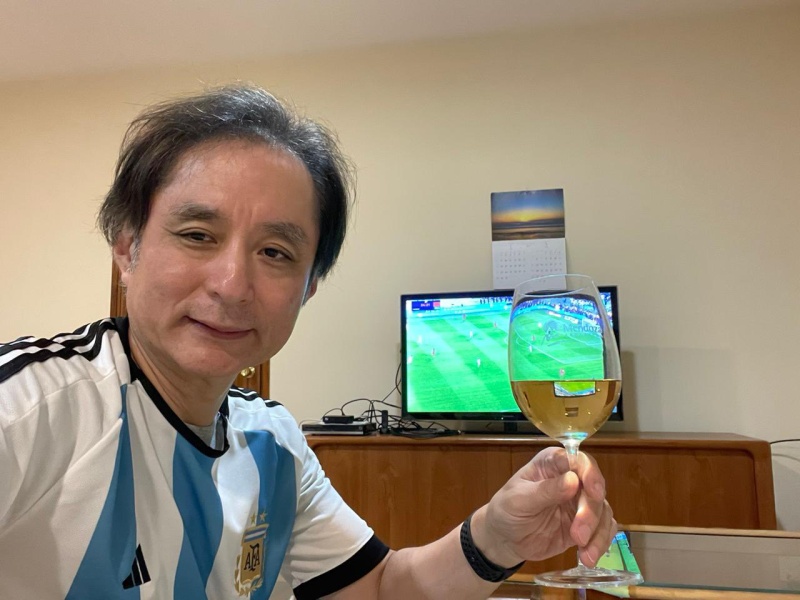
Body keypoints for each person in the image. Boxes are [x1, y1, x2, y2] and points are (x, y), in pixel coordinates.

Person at [0, 85, 616, 599]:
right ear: (126, 248)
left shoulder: (274, 442)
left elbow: (381, 589)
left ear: (309, 288)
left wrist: (496, 538)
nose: (232, 284)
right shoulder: (30, 411)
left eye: (275, 252)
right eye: (197, 235)